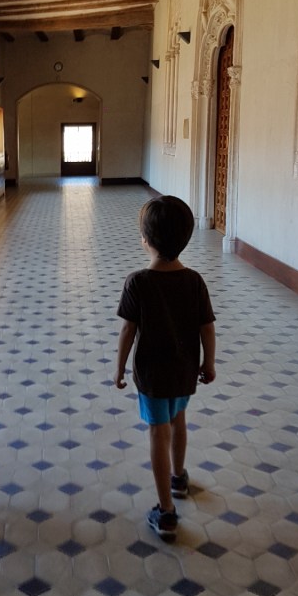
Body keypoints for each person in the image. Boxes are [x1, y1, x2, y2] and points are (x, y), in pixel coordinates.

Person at [114, 195, 216, 540]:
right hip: (186, 371)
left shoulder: (138, 282)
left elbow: (128, 330)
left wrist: (119, 369)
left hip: (153, 374)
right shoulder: (195, 281)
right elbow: (207, 327)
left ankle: (166, 512)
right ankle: (179, 478)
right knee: (179, 420)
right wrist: (209, 362)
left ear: (146, 240)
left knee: (159, 431)